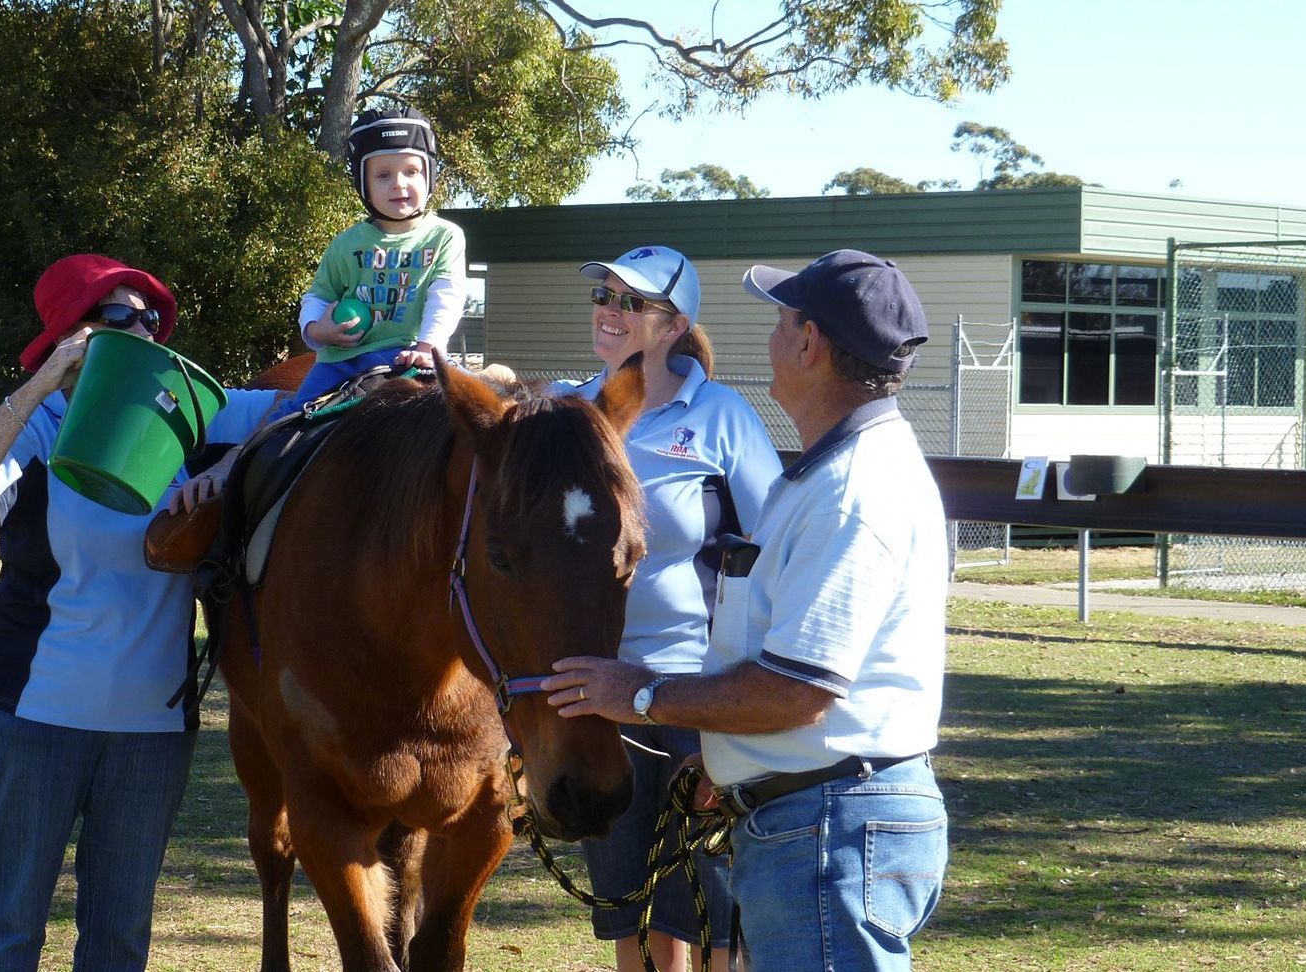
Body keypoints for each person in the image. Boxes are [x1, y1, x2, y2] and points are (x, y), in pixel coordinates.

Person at [540, 249, 950, 971]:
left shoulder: (851, 491)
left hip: (831, 826)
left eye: (781, 318)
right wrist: (730, 758)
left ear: (809, 343)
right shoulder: (831, 471)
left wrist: (638, 693)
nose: (767, 337)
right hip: (812, 814)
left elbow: (801, 689)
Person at [0, 253, 279, 972]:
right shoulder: (39, 426)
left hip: (151, 732)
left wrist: (225, 466)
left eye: (151, 318)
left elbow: (302, 406)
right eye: (119, 317)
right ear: (73, 331)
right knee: (11, 927)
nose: (144, 331)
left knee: (120, 939)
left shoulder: (186, 410)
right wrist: (39, 386)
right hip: (33, 718)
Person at [548, 244, 780, 972]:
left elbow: (776, 545)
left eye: (630, 302)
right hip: (596, 691)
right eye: (604, 297)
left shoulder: (720, 414)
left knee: (712, 913)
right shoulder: (573, 410)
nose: (610, 312)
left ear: (676, 325)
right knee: (630, 911)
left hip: (697, 690)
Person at [265, 104, 467, 422]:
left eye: (412, 171)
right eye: (383, 175)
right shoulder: (345, 244)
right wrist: (320, 331)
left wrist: (428, 347)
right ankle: (235, 465)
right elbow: (318, 296)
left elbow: (447, 294)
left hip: (410, 355)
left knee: (474, 417)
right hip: (340, 361)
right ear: (364, 184)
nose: (399, 183)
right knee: (292, 421)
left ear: (430, 174)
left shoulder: (445, 236)